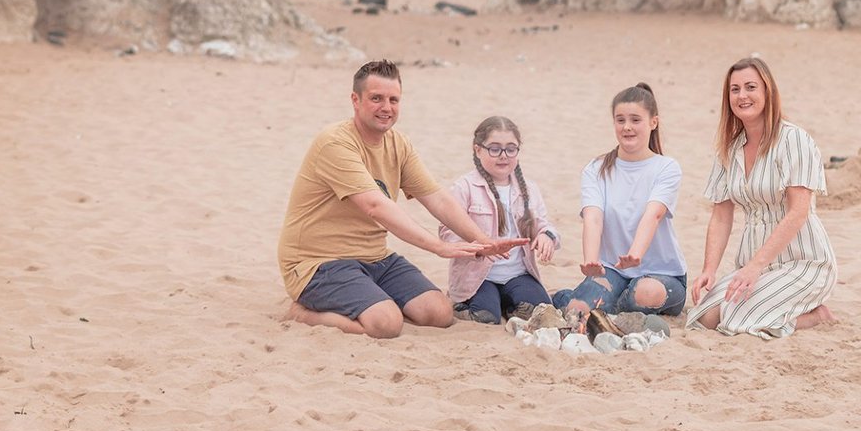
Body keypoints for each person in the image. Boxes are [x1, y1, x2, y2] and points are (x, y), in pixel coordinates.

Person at [278, 60, 528, 338]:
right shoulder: (335, 143)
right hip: (318, 262)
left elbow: (436, 198)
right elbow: (376, 206)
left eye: (393, 100)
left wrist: (483, 241)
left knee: (439, 313)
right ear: (355, 100)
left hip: (374, 257)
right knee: (386, 324)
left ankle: (369, 298)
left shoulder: (398, 143)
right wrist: (437, 246)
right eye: (376, 98)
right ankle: (303, 313)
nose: (386, 107)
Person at [686, 56, 837, 337]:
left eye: (750, 87)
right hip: (753, 266)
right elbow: (721, 216)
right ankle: (780, 304)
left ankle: (817, 316)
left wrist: (756, 267)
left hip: (803, 262)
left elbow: (798, 212)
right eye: (735, 89)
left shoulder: (794, 140)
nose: (742, 95)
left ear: (768, 91)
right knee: (705, 316)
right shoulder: (729, 150)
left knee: (735, 320)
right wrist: (710, 269)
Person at [552, 83, 687, 319]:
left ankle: (606, 305)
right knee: (578, 310)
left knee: (643, 293)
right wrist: (591, 260)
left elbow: (653, 215)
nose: (627, 127)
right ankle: (580, 299)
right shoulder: (596, 169)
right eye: (620, 120)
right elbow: (593, 218)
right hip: (613, 270)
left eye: (635, 120)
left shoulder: (666, 167)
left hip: (662, 275)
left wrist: (635, 254)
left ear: (653, 122)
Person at [440, 116, 560, 325]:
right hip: (478, 278)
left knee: (540, 311)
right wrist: (479, 247)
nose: (503, 156)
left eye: (511, 149)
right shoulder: (464, 187)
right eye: (494, 149)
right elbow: (447, 233)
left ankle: (509, 302)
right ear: (478, 150)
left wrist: (546, 237)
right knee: (486, 317)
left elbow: (544, 224)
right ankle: (476, 302)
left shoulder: (528, 189)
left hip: (518, 274)